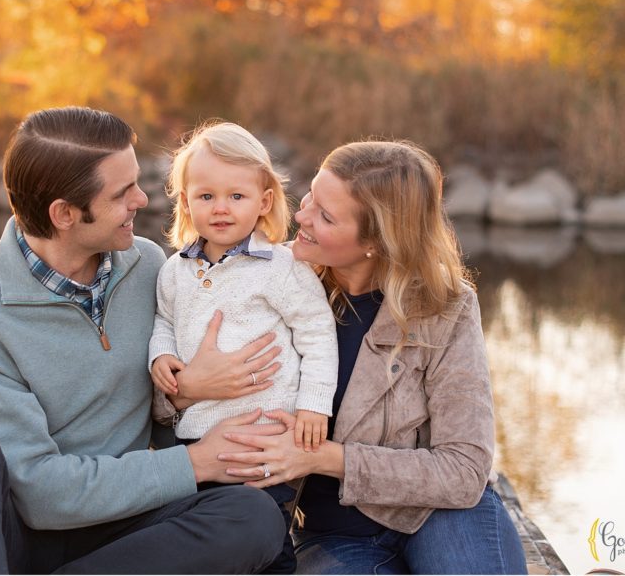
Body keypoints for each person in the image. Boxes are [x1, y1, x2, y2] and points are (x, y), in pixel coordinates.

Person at [0, 106, 289, 575]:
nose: (143, 201)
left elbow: (167, 422)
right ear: (64, 214)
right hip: (9, 534)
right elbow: (39, 493)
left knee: (253, 518)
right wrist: (197, 463)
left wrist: (188, 394)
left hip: (122, 531)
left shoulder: (148, 266)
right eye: (122, 193)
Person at [156, 140, 529, 575]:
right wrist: (186, 391)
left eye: (326, 217)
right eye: (312, 196)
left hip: (437, 512)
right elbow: (159, 398)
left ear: (377, 241)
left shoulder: (446, 306)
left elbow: (464, 470)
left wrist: (323, 458)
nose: (301, 217)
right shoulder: (269, 276)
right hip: (334, 533)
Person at [148, 122, 339, 573]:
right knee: (210, 540)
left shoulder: (282, 266)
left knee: (266, 535)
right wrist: (161, 355)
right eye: (206, 196)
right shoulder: (174, 271)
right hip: (195, 434)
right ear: (185, 201)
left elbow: (317, 333)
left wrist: (314, 406)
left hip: (267, 434)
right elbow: (164, 321)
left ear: (264, 201)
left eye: (237, 196)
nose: (221, 208)